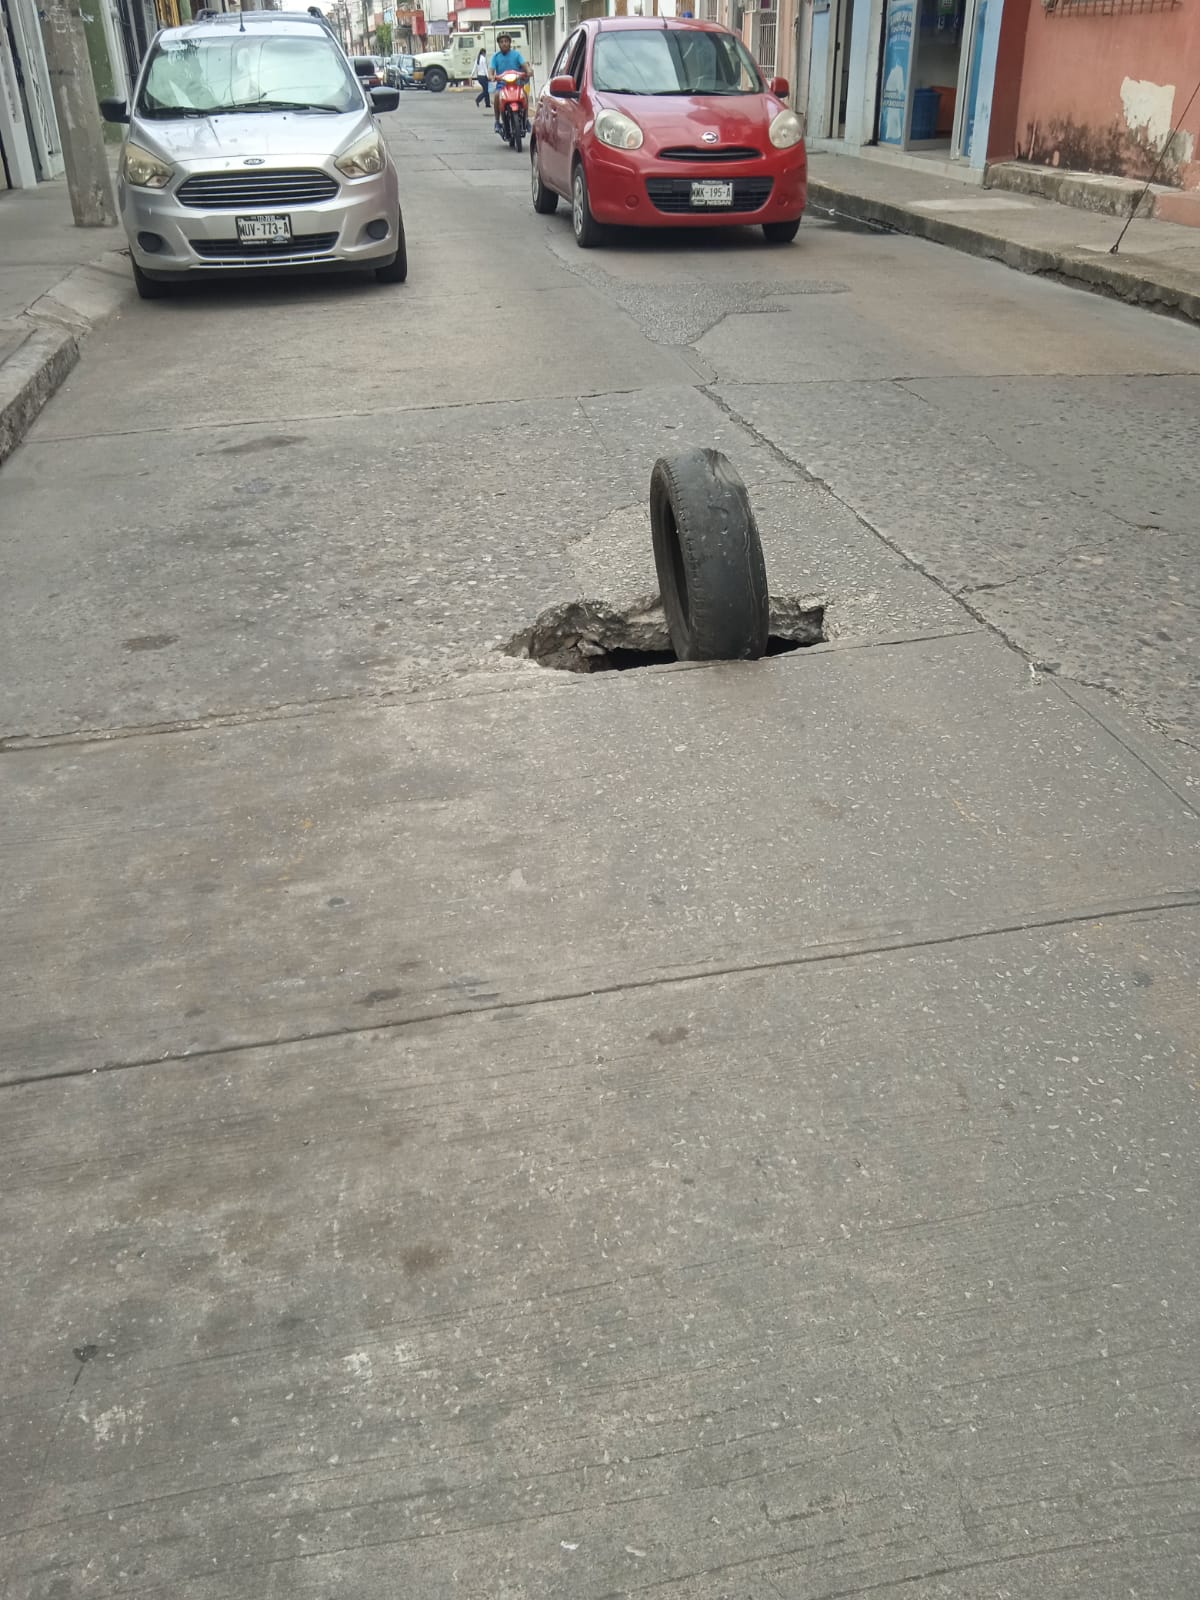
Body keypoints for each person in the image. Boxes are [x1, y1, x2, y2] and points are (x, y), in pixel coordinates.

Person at [490, 32, 530, 136]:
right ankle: (497, 122)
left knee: (524, 94)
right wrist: (491, 76)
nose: (504, 44)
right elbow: (491, 70)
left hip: (516, 84)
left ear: (510, 43)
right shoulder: (496, 57)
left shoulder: (516, 55)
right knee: (497, 96)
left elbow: (525, 65)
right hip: (502, 85)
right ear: (499, 44)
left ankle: (526, 119)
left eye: (506, 41)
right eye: (502, 42)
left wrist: (528, 71)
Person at [473, 46, 490, 110]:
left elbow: (474, 67)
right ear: (483, 53)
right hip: (483, 76)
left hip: (479, 77)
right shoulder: (483, 59)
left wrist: (471, 75)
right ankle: (478, 99)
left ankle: (487, 104)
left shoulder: (477, 58)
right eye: (485, 53)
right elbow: (485, 68)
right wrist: (488, 76)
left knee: (486, 90)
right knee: (486, 91)